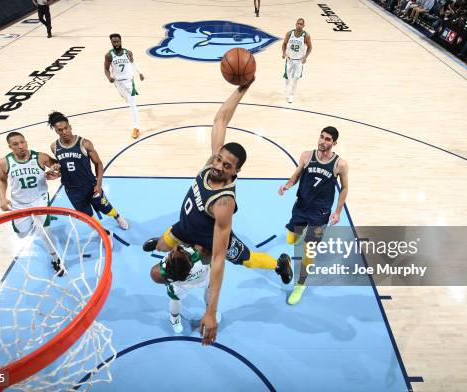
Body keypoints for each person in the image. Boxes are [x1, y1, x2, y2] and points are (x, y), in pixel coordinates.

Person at [142, 79, 293, 345]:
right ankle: (161, 241)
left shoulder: (223, 203)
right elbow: (221, 119)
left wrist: (210, 311)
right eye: (219, 159)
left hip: (208, 245)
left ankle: (279, 263)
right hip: (183, 228)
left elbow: (220, 258)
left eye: (227, 165)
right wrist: (242, 89)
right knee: (165, 244)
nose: (219, 166)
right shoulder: (211, 163)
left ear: (236, 172)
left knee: (245, 258)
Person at [278, 127, 349, 305]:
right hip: (301, 207)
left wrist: (338, 211)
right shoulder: (306, 156)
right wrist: (287, 185)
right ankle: (299, 234)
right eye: (321, 137)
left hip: (320, 213)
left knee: (309, 251)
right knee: (291, 239)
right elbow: (296, 176)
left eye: (327, 139)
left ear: (334, 143)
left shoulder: (340, 164)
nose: (322, 141)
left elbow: (345, 188)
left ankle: (301, 284)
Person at [47, 111, 129, 231]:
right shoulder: (54, 147)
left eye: (66, 128)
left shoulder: (84, 143)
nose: (64, 132)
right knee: (87, 217)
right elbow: (64, 166)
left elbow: (98, 163)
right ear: (56, 131)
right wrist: (57, 172)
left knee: (106, 207)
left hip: (89, 185)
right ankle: (104, 234)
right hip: (72, 190)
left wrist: (98, 184)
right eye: (60, 130)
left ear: (70, 127)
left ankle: (117, 217)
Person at [0, 132, 64, 275]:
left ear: (26, 142)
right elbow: (1, 180)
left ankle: (55, 259)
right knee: (21, 234)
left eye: (23, 142)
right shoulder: (4, 162)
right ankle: (33, 223)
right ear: (10, 146)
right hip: (19, 203)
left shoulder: (40, 157)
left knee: (44, 231)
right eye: (16, 144)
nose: (21, 146)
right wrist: (2, 198)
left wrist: (54, 172)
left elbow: (58, 168)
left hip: (40, 200)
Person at [150, 245, 221, 333]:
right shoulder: (201, 252)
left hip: (184, 283)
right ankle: (210, 312)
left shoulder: (163, 270)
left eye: (171, 254)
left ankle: (174, 319)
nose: (173, 251)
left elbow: (155, 275)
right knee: (209, 289)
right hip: (201, 277)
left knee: (175, 299)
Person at [104, 33, 145, 139]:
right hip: (118, 82)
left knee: (132, 104)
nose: (116, 43)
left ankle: (136, 127)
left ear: (121, 41)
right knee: (127, 100)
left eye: (118, 41)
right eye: (114, 41)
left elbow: (133, 63)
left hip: (129, 81)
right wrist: (109, 77)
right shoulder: (109, 55)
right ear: (111, 42)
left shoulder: (128, 52)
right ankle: (130, 102)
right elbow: (106, 69)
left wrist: (140, 73)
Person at [282, 18, 313, 104]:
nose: (299, 25)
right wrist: (284, 53)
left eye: (301, 24)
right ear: (296, 24)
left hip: (299, 61)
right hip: (289, 59)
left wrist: (305, 57)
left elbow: (310, 47)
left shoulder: (306, 35)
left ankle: (291, 95)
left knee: (296, 78)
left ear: (303, 25)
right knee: (287, 78)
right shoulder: (289, 33)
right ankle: (287, 92)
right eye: (298, 23)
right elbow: (284, 44)